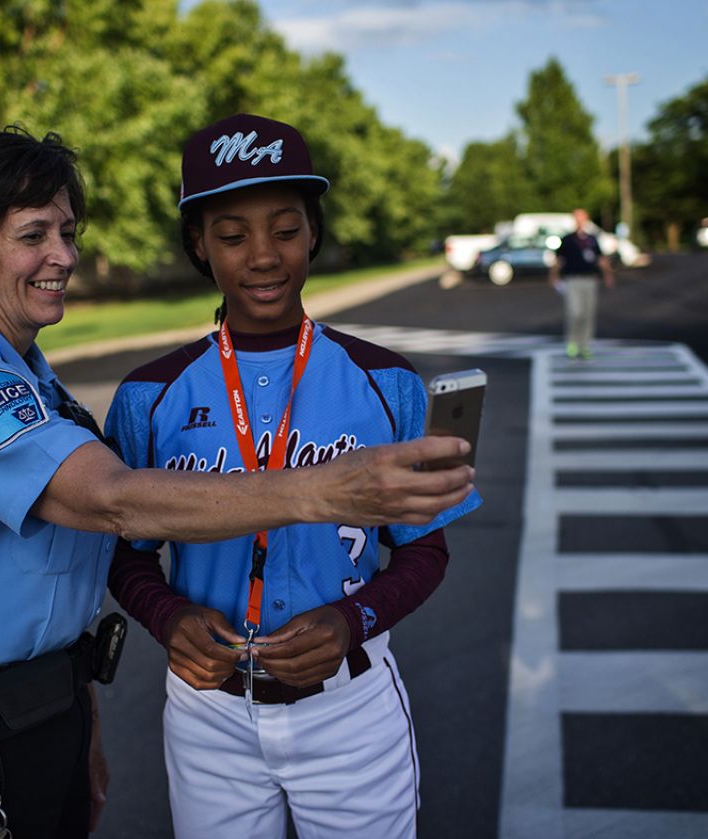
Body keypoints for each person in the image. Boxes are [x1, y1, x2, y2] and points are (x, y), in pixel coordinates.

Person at [0, 126, 475, 838]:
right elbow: (112, 502)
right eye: (33, 234)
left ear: (313, 233)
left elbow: (70, 585)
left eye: (67, 231)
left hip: (53, 711)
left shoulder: (34, 379)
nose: (64, 255)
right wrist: (321, 490)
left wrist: (81, 725)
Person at [104, 113, 483, 838]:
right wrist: (167, 615)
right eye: (232, 234)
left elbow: (425, 547)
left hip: (350, 707)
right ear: (197, 245)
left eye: (284, 228)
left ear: (313, 232)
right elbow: (123, 549)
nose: (263, 256)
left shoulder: (386, 382)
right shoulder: (148, 394)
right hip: (207, 709)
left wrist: (353, 619)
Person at [549, 207, 615, 359]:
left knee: (588, 313)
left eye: (582, 217)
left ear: (586, 219)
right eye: (577, 217)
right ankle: (572, 343)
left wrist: (608, 275)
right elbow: (558, 260)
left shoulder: (592, 239)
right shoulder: (567, 239)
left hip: (590, 279)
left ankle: (585, 345)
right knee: (574, 312)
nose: (579, 220)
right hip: (572, 279)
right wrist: (554, 277)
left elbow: (601, 259)